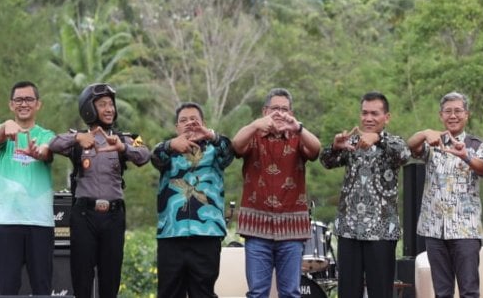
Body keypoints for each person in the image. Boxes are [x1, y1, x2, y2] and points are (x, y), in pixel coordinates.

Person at [49, 83, 150, 298]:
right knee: (82, 281)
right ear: (89, 108)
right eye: (102, 104)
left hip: (114, 217)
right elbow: (53, 143)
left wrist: (124, 147)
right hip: (84, 216)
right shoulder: (77, 138)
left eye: (111, 104)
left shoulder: (127, 137)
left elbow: (144, 154)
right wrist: (78, 138)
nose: (109, 109)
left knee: (110, 281)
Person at [231, 87, 322, 298]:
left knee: (290, 292)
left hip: (292, 228)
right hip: (257, 228)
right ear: (265, 111)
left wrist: (298, 127)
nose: (280, 113)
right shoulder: (253, 135)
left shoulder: (297, 137)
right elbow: (236, 146)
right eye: (275, 109)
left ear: (291, 112)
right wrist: (255, 125)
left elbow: (316, 150)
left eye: (285, 109)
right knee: (257, 293)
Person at [320, 91, 411, 298]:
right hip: (349, 229)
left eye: (374, 113)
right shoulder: (351, 141)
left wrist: (378, 138)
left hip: (381, 230)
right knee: (348, 291)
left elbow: (404, 154)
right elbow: (326, 161)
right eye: (364, 113)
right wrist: (335, 146)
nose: (368, 118)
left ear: (386, 117)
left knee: (380, 291)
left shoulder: (393, 142)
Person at [406, 92, 483, 298]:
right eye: (448, 111)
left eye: (458, 111)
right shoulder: (434, 142)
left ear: (467, 115)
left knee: (469, 291)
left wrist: (465, 156)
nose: (453, 116)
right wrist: (425, 132)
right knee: (442, 292)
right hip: (435, 229)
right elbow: (411, 146)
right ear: (441, 115)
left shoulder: (477, 145)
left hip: (466, 230)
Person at [151, 101, 235, 298]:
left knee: (203, 293)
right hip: (171, 234)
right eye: (183, 120)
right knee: (169, 293)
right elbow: (153, 156)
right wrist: (171, 145)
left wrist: (211, 135)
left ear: (203, 123)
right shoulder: (167, 152)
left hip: (207, 234)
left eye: (194, 119)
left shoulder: (216, 151)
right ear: (176, 127)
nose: (189, 123)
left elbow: (230, 151)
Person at [0, 80, 56, 295]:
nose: (23, 104)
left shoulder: (47, 135)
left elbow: (48, 151)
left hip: (40, 222)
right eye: (18, 100)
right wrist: (6, 126)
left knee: (42, 288)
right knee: (8, 289)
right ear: (11, 104)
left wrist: (40, 152)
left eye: (29, 99)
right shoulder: (3, 134)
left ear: (38, 104)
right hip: (7, 222)